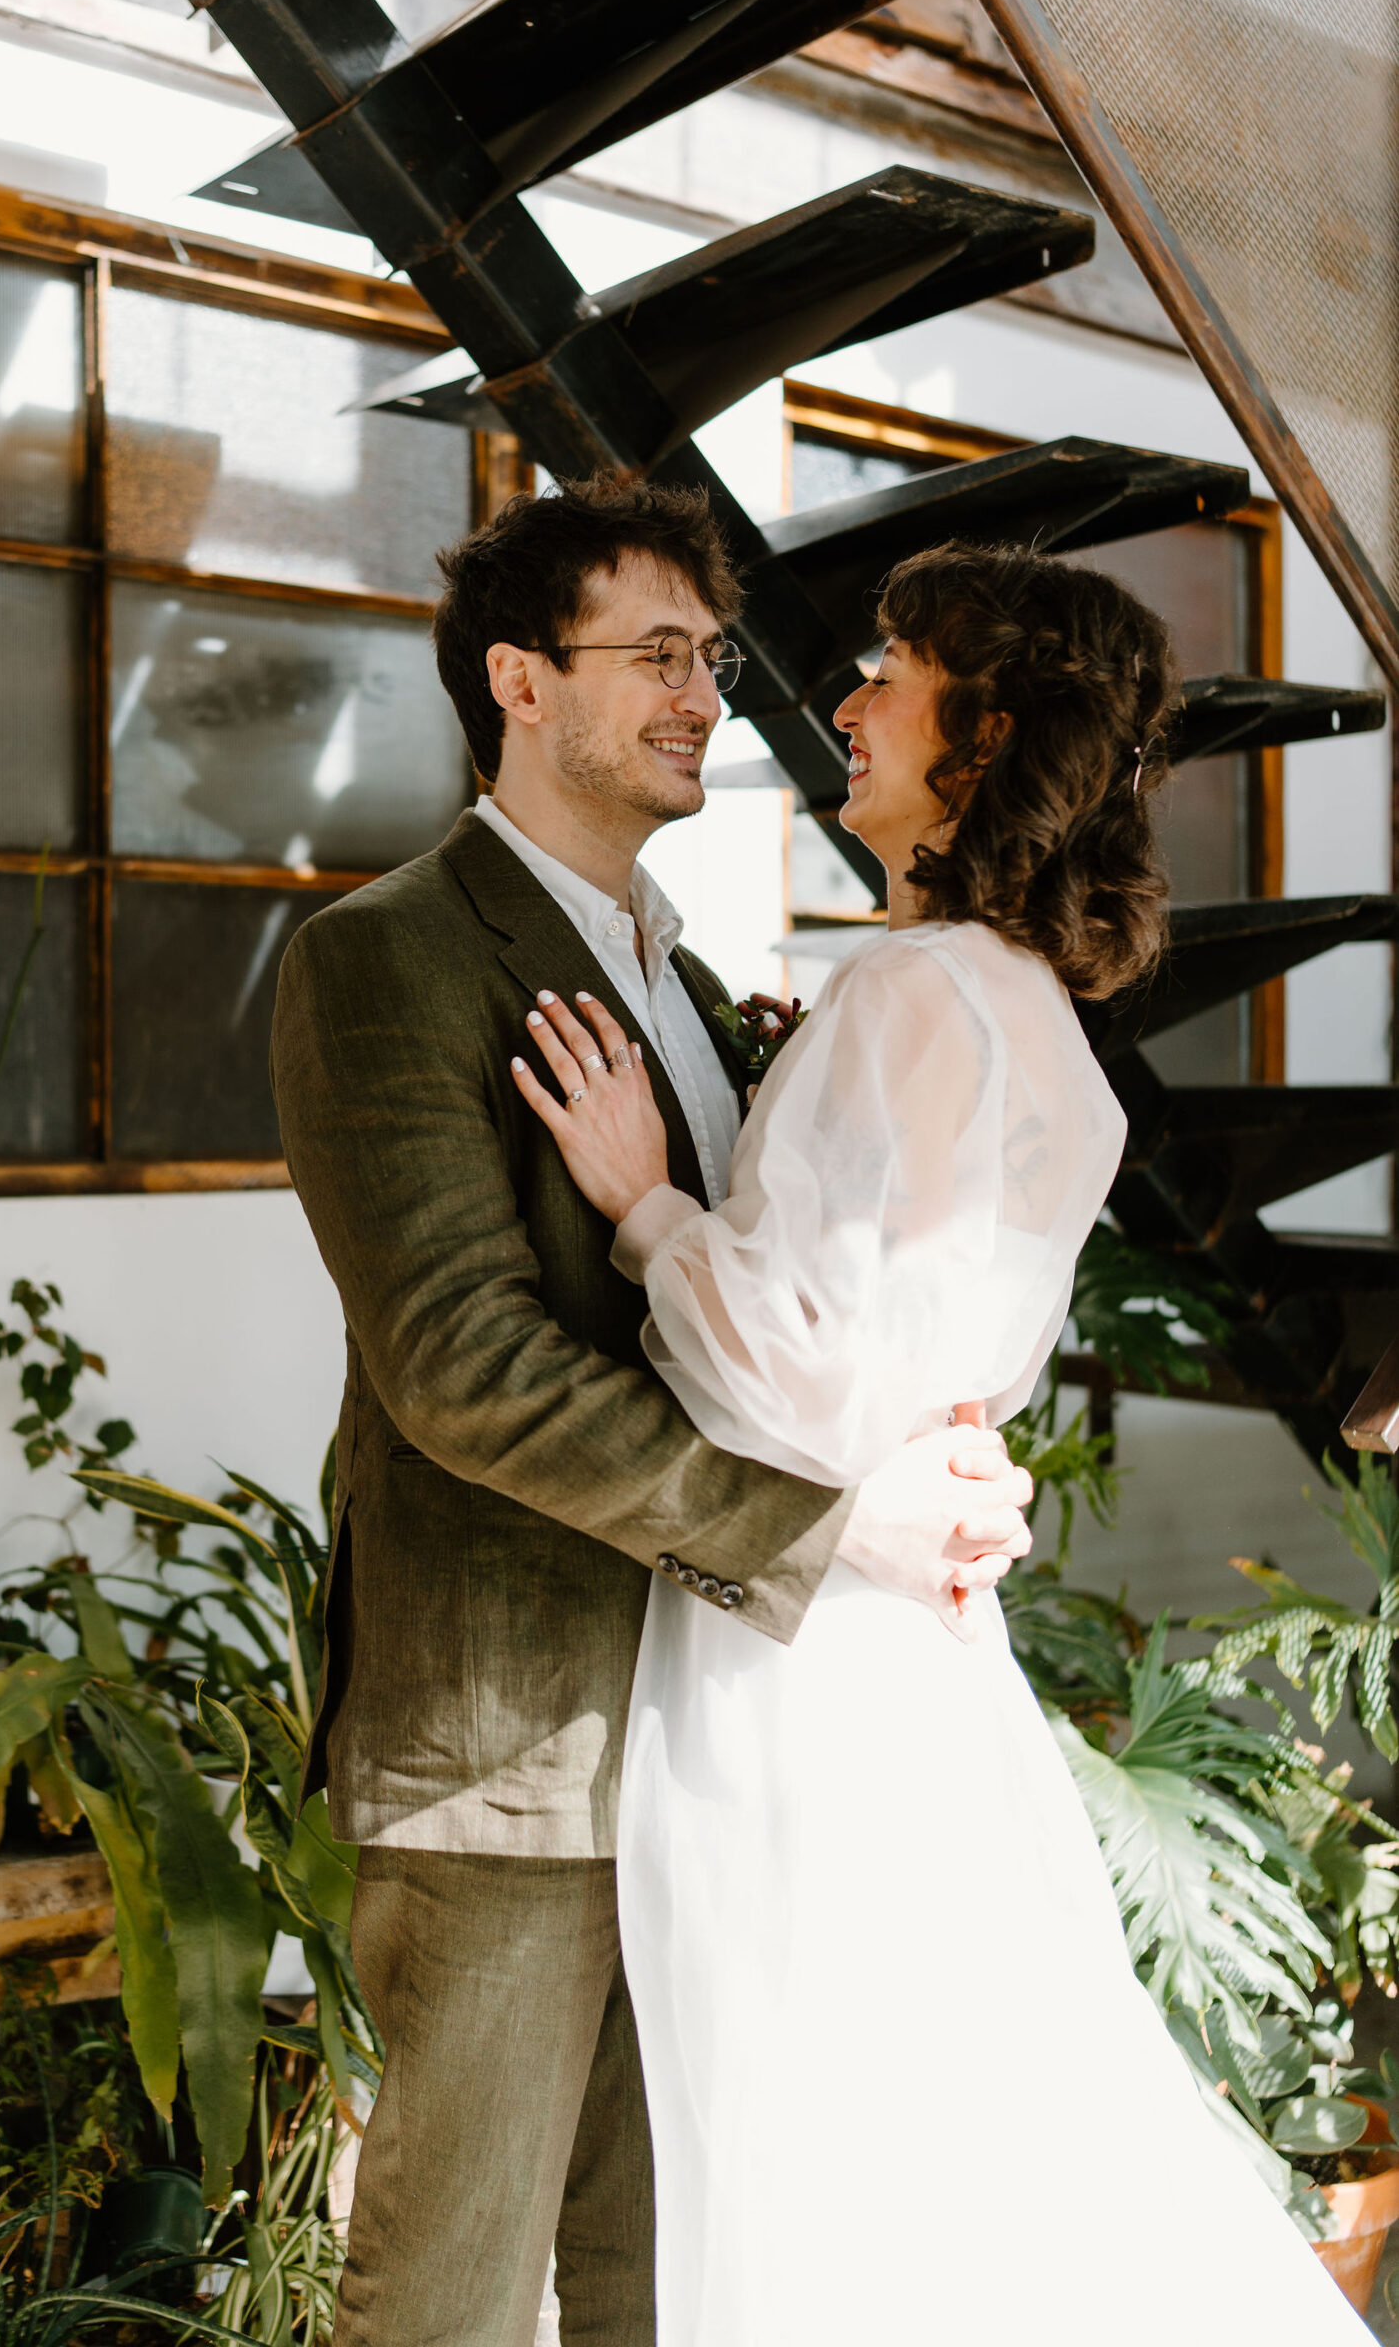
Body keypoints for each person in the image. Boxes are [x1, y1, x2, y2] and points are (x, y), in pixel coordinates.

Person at [513, 539, 1368, 2343]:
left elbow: (796, 1382)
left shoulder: (910, 994)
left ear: (985, 740)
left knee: (813, 2159)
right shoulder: (1044, 1020)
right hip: (919, 1640)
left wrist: (649, 1204)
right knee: (945, 2132)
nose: (844, 699)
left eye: (891, 671)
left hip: (804, 1662)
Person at [269, 482, 1039, 2347]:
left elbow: (764, 1317)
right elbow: (463, 1365)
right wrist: (824, 1525)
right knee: (445, 2297)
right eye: (660, 658)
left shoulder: (686, 983)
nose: (708, 695)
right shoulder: (384, 955)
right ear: (521, 683)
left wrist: (913, 1444)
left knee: (670, 2288)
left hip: (718, 1749)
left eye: (713, 656)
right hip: (510, 1755)